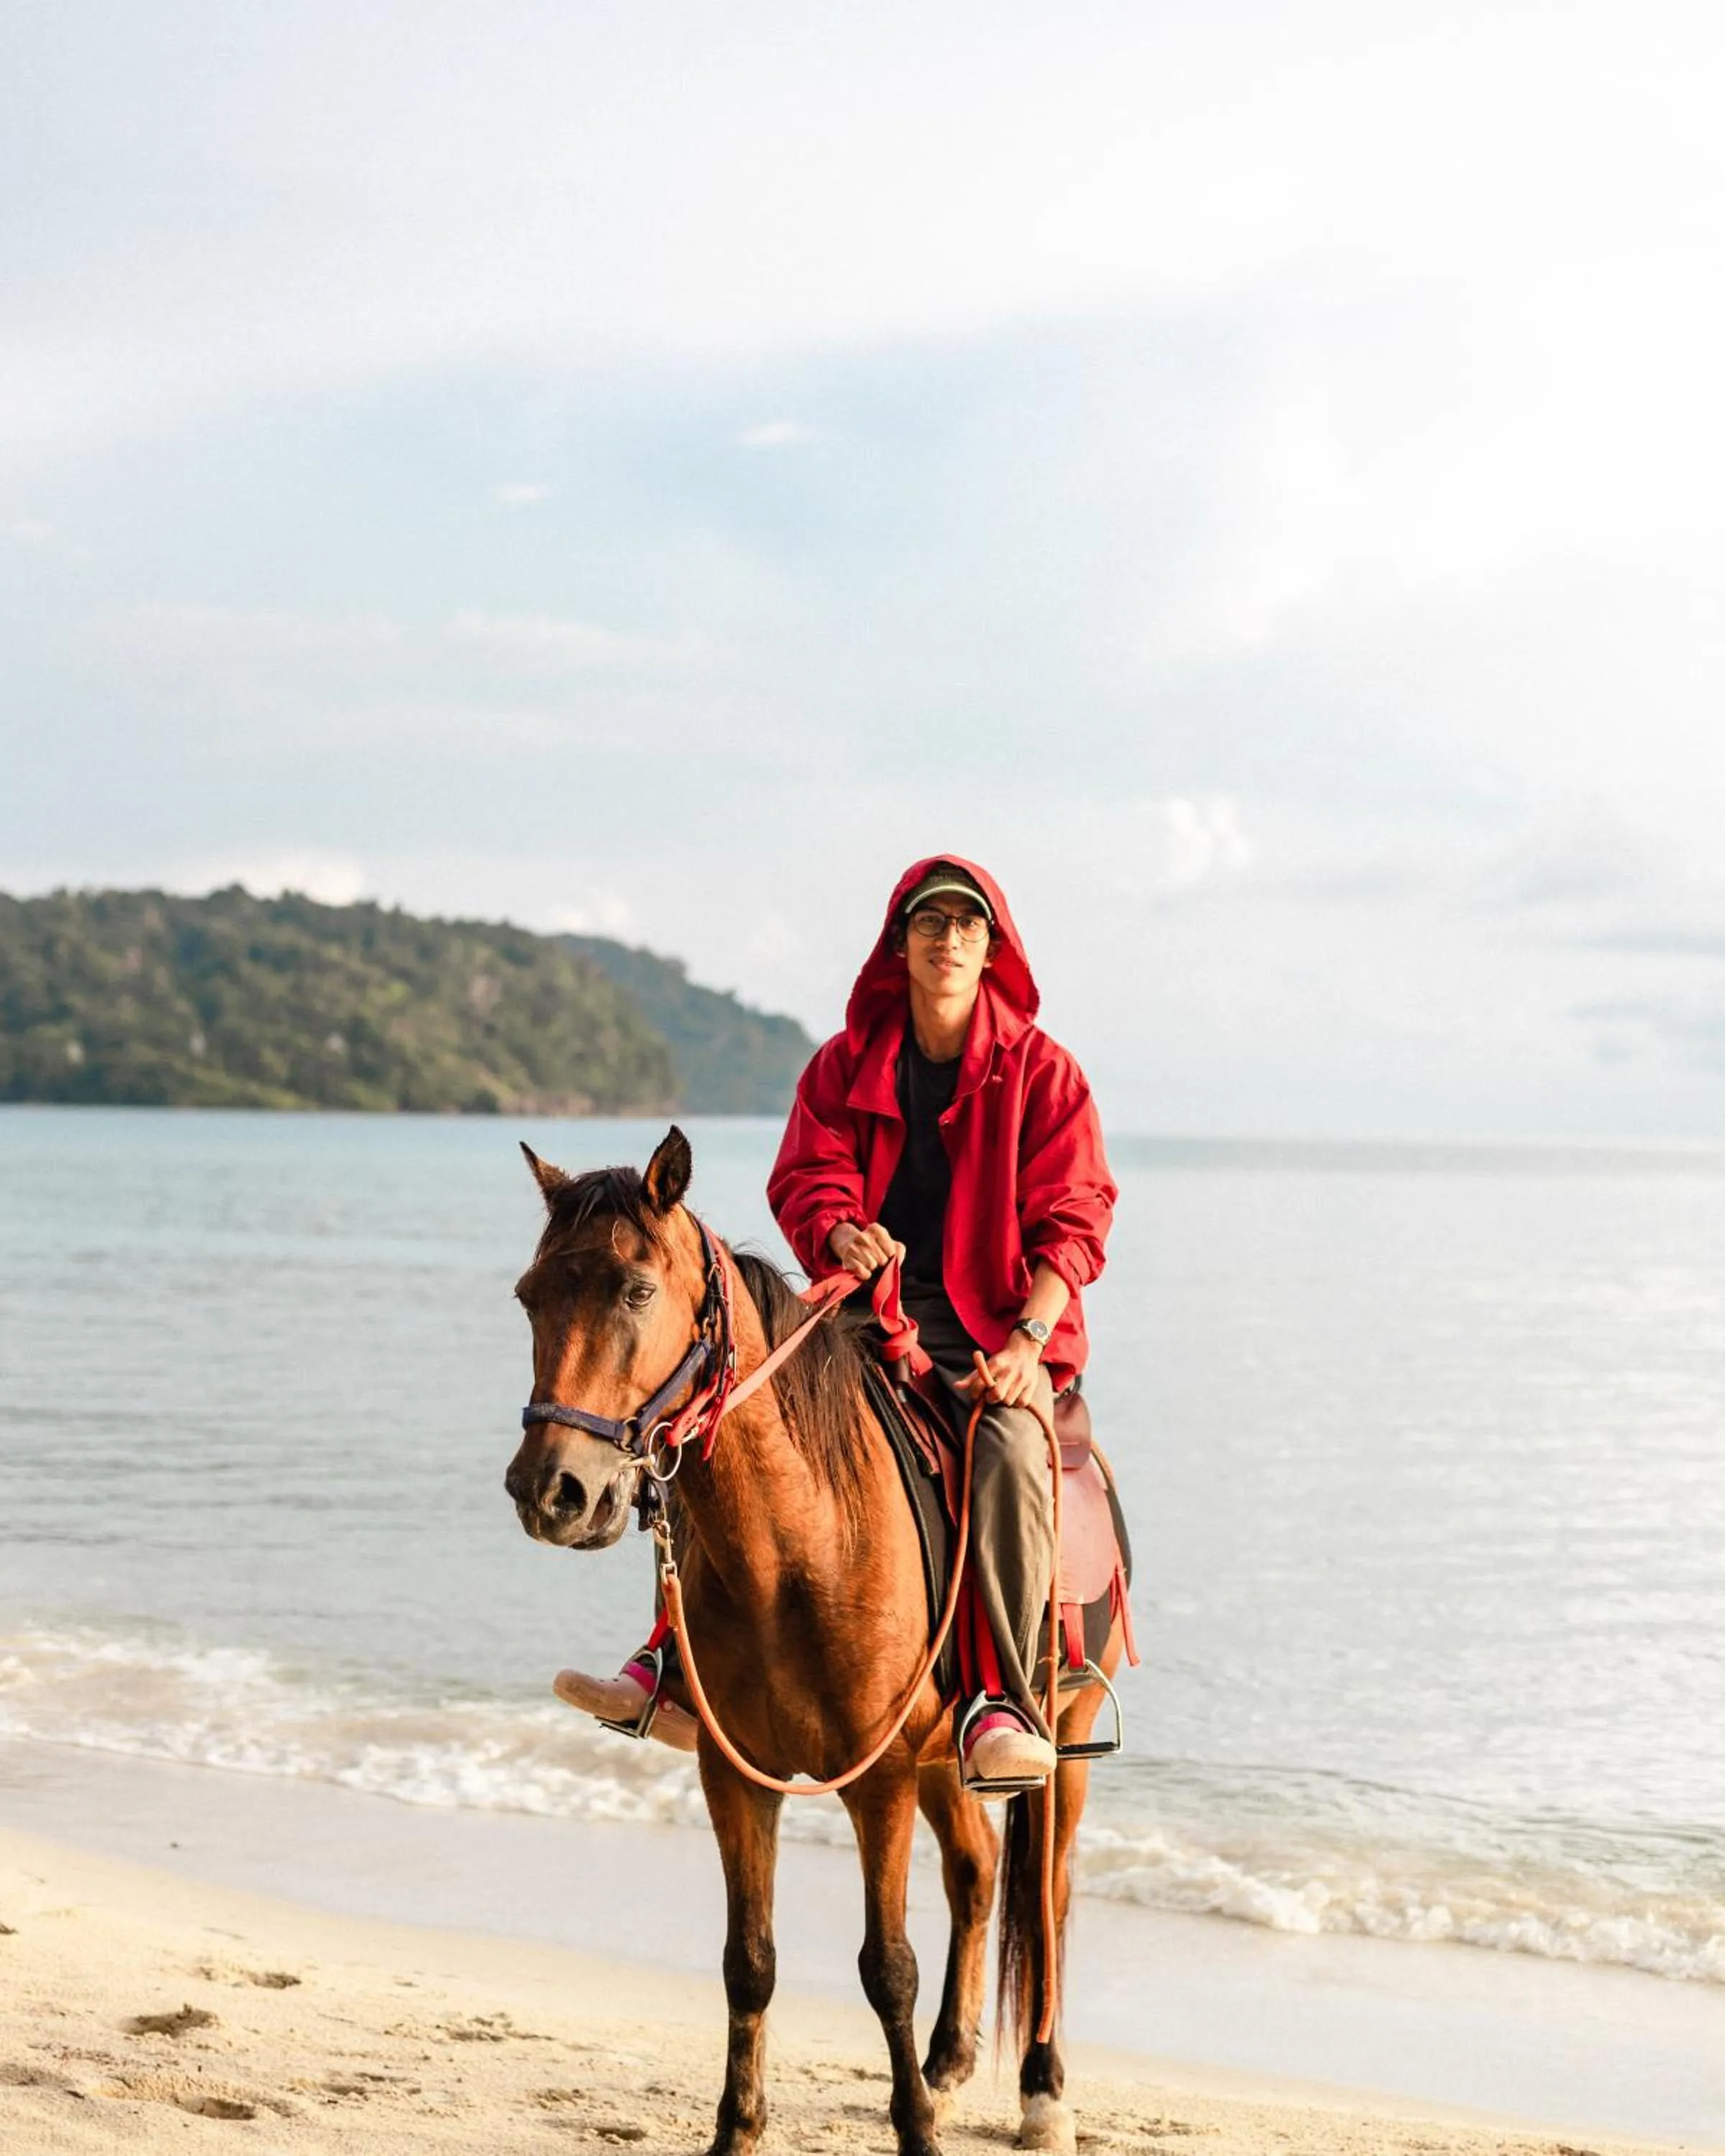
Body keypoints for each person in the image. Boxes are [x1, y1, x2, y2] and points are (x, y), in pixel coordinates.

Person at [556, 855, 1116, 1788]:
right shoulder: (844, 1064)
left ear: (993, 950)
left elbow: (1076, 1216)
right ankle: (674, 1662)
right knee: (719, 1409)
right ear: (900, 944)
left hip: (997, 1328)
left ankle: (1005, 1700)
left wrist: (1028, 1344)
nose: (948, 940)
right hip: (862, 1315)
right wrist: (838, 1233)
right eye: (930, 923)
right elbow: (807, 1178)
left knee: (1012, 1449)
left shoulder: (1045, 1072)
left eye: (968, 926)